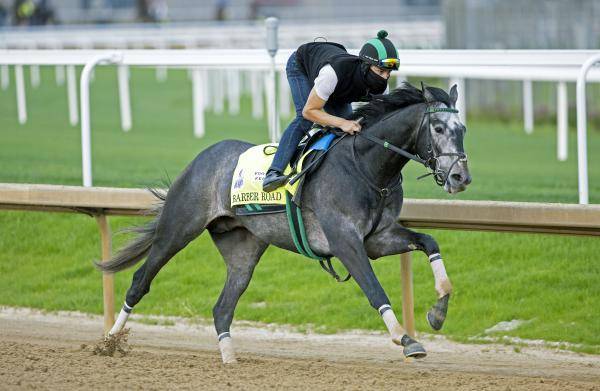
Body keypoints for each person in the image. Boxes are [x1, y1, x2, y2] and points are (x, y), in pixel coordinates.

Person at [262, 30, 399, 192]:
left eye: (388, 73)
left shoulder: (382, 86)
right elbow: (309, 111)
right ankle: (273, 172)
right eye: (380, 71)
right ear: (365, 66)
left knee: (351, 131)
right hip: (301, 65)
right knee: (305, 119)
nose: (384, 77)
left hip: (338, 86)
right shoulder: (332, 73)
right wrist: (341, 122)